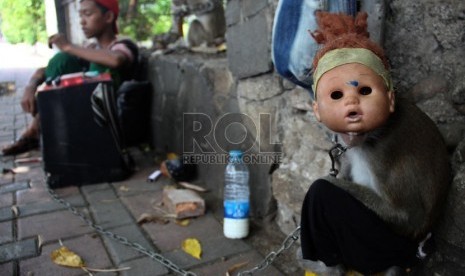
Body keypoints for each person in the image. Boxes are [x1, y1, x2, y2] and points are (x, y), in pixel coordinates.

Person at [297, 11, 450, 275]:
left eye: (364, 91)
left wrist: (340, 187)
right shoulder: (369, 128)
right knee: (329, 191)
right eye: (337, 95)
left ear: (389, 99)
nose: (351, 104)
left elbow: (406, 217)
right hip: (389, 235)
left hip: (403, 238)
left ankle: (336, 263)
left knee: (322, 192)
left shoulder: (393, 138)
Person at [2, 0, 135, 155]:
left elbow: (116, 60)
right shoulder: (90, 49)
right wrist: (31, 86)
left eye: (88, 14)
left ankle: (38, 132)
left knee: (96, 65)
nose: (82, 21)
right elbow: (47, 70)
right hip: (80, 114)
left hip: (109, 120)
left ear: (108, 17)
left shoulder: (123, 45)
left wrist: (68, 46)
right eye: (80, 15)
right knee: (62, 59)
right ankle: (34, 129)